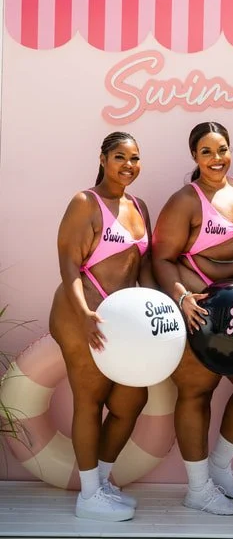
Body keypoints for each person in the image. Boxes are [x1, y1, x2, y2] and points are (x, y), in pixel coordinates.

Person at [152, 121, 233, 516]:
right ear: (194, 157)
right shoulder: (185, 200)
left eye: (222, 149)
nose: (216, 159)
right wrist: (182, 297)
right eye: (207, 152)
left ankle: (219, 467)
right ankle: (198, 489)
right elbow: (161, 258)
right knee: (196, 394)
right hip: (200, 315)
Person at [49, 131, 154, 522]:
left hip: (122, 323)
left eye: (135, 158)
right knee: (90, 401)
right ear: (103, 158)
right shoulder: (84, 203)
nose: (128, 165)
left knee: (131, 400)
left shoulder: (139, 205)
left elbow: (141, 269)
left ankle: (103, 482)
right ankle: (89, 495)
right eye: (120, 157)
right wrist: (84, 314)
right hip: (81, 317)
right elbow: (68, 266)